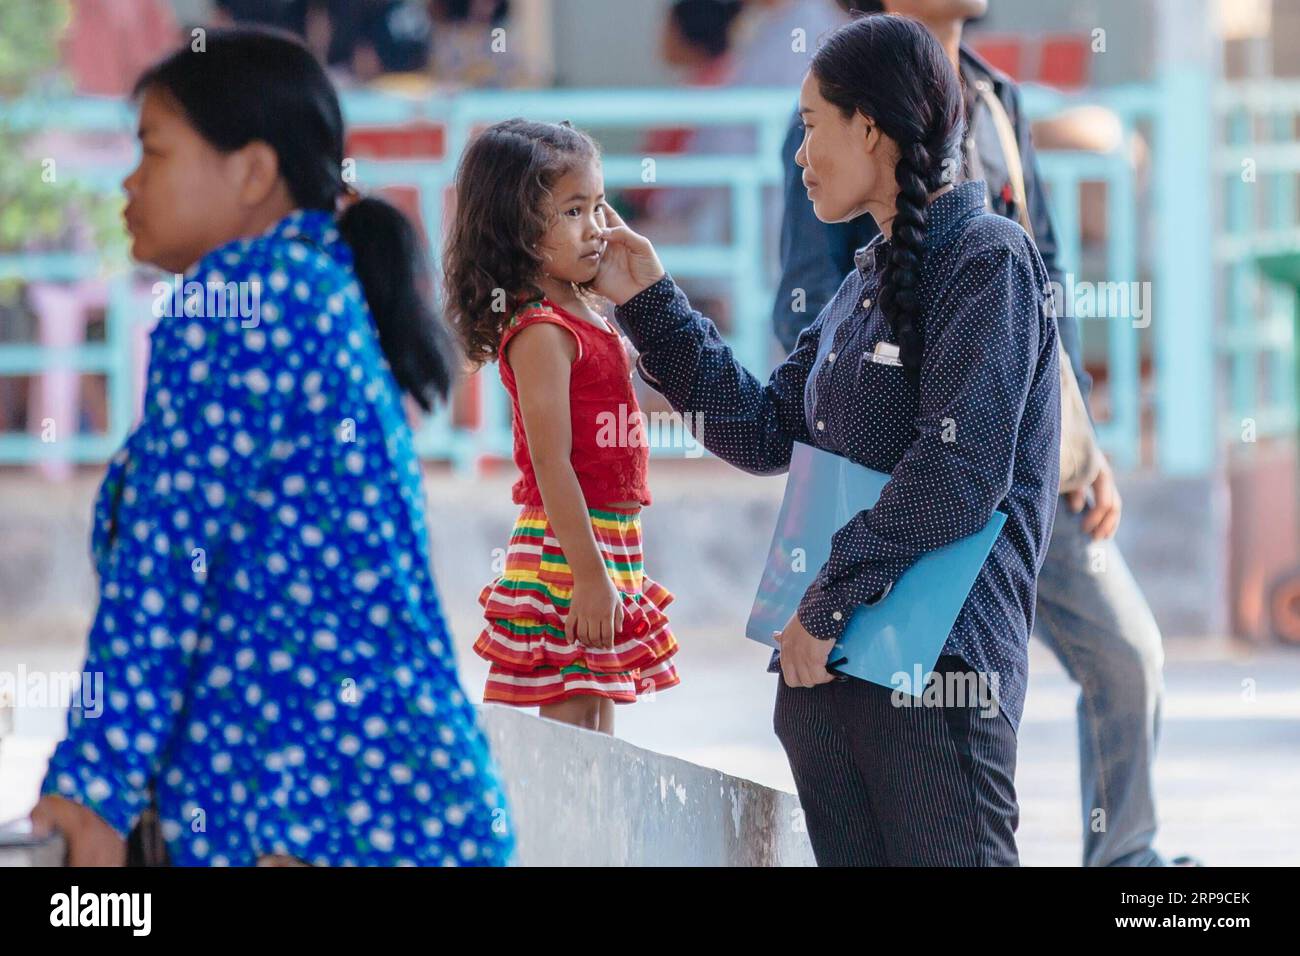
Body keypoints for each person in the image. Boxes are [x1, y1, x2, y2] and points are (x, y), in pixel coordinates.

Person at [29, 28, 514, 867]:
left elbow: (163, 559)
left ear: (252, 171)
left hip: (331, 818)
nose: (129, 182)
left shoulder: (249, 298)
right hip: (351, 810)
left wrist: (92, 781)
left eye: (152, 152)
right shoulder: (305, 289)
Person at [597, 13, 1059, 865]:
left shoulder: (987, 261)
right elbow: (765, 429)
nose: (800, 156)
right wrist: (650, 300)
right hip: (829, 682)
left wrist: (830, 601)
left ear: (872, 128)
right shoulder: (864, 280)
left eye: (813, 127)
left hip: (935, 683)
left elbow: (960, 471)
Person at [774, 0, 1194, 868]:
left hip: (1005, 457)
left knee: (1123, 653)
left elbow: (1044, 273)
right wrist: (850, 384)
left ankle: (1128, 864)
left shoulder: (998, 100)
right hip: (901, 481)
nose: (810, 147)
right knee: (902, 734)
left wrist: (1076, 431)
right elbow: (808, 297)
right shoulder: (841, 107)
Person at [442, 119, 680, 735]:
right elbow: (551, 462)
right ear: (517, 232)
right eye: (574, 211)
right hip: (568, 549)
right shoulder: (543, 331)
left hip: (606, 538)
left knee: (596, 730)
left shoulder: (586, 310)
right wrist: (589, 577)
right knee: (572, 732)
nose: (597, 228)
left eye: (599, 206)